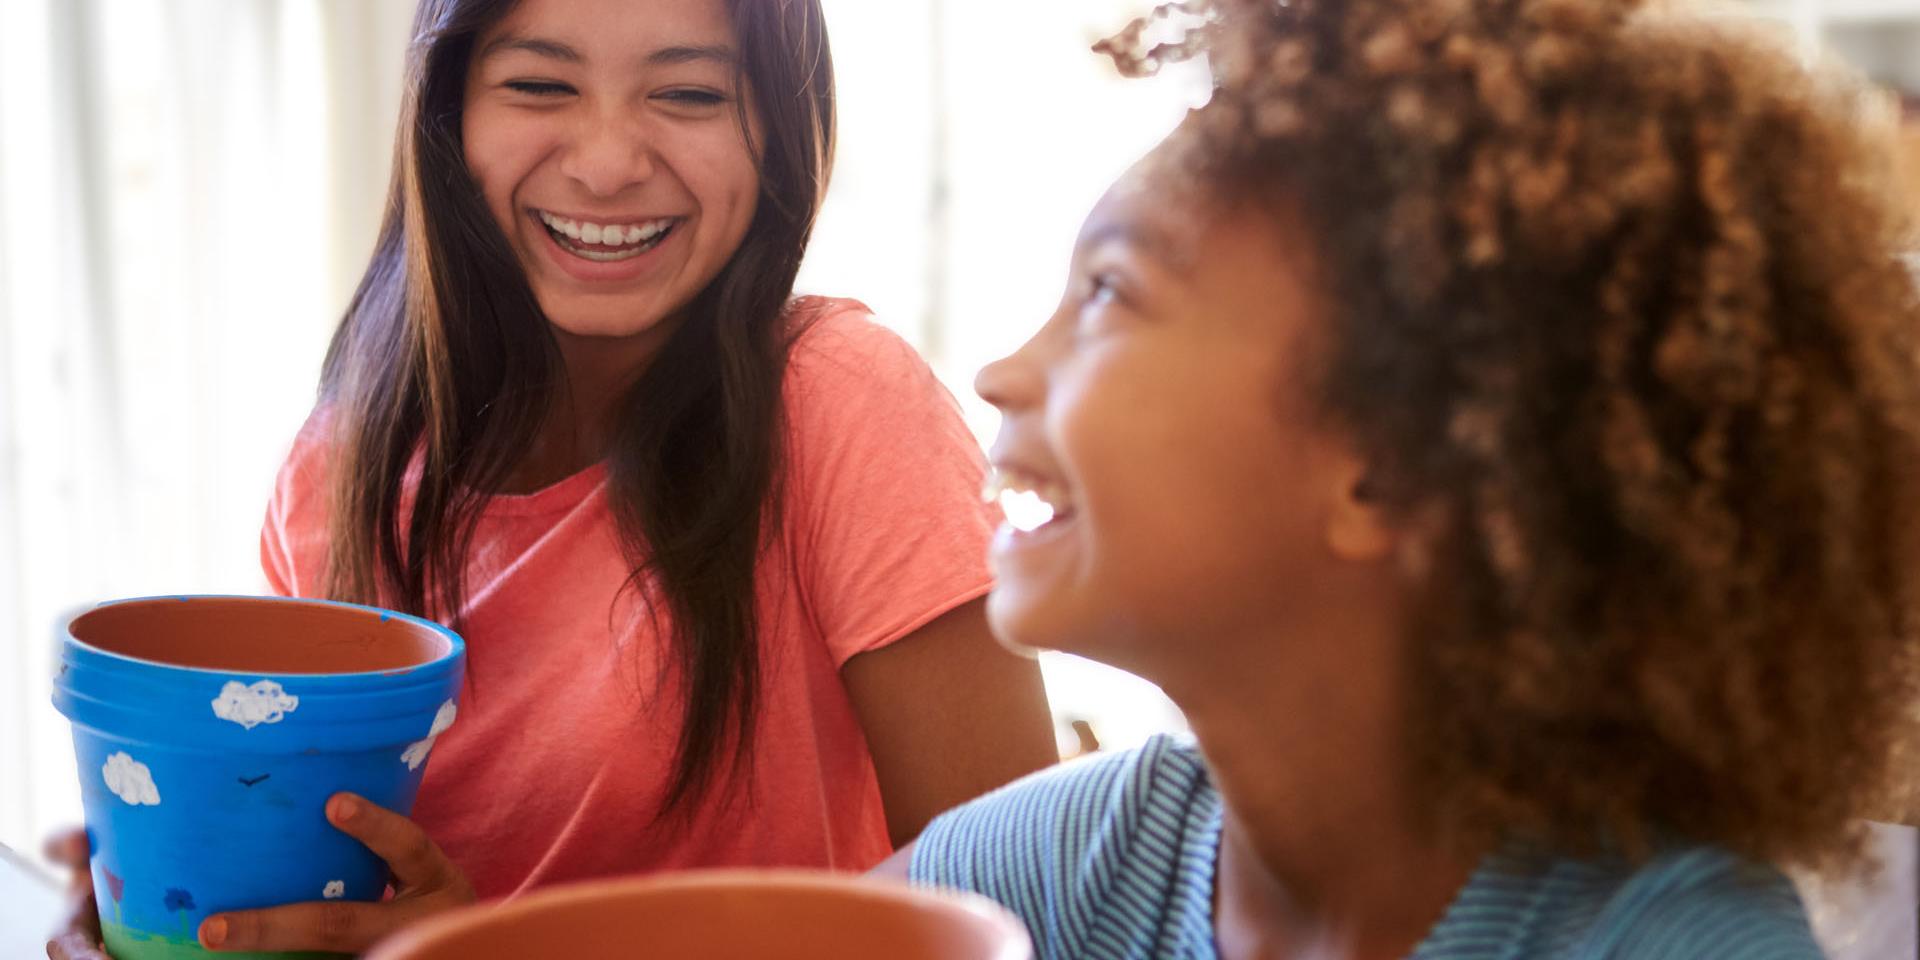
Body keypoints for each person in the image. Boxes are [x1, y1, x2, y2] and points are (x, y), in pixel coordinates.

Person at [881, 0, 1920, 957]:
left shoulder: (1678, 942)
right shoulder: (1057, 867)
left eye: (1109, 292)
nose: (1001, 370)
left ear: (1385, 465)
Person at [48, 0, 1056, 956]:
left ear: (779, 135)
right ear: (449, 117)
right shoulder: (335, 472)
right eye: (539, 85)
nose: (610, 165)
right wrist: (171, 921)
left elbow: (1038, 910)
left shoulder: (839, 400)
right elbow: (325, 893)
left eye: (691, 94)